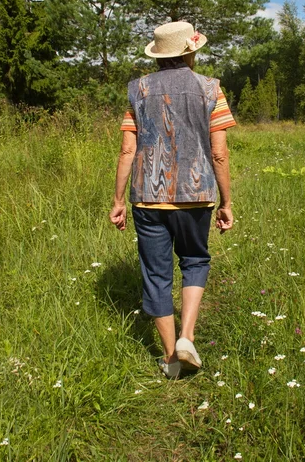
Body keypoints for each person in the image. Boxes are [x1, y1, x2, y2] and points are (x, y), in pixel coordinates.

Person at [109, 21, 236, 378]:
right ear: (190, 52)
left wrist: (118, 200)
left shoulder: (138, 89)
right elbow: (220, 153)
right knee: (195, 260)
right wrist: (225, 202)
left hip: (147, 199)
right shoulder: (211, 89)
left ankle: (169, 359)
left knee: (156, 274)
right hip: (197, 196)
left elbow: (127, 148)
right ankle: (187, 337)